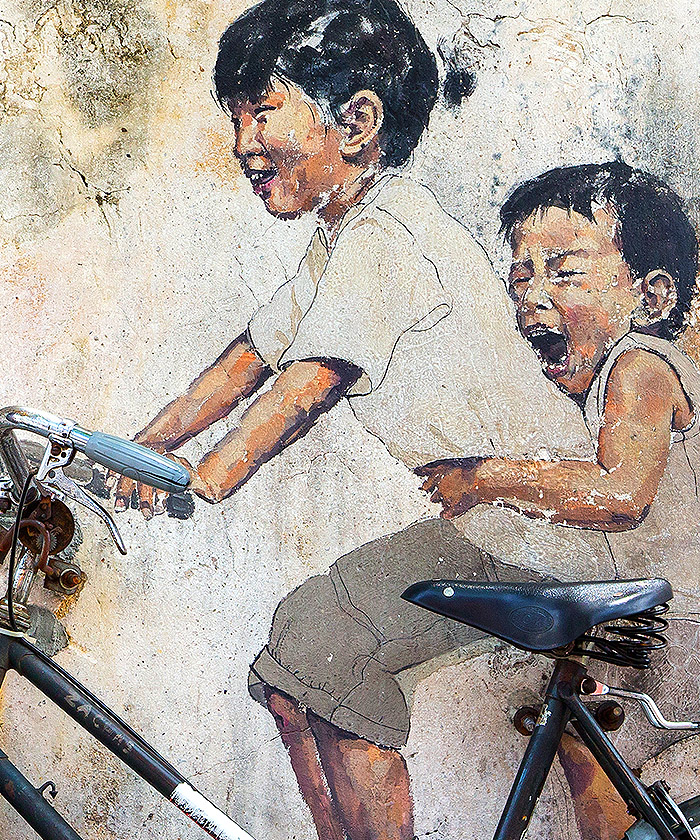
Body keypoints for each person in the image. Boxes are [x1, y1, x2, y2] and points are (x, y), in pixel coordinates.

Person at [113, 5, 619, 838]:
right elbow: (250, 358)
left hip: (536, 534)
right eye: (235, 118)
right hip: (492, 530)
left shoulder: (389, 233)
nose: (241, 142)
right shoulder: (342, 235)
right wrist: (132, 450)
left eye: (262, 111)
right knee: (295, 661)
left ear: (356, 123)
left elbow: (308, 384)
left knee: (332, 658)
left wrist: (201, 480)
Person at [420, 161, 700, 833]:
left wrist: (487, 479)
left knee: (607, 770)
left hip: (681, 630)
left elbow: (622, 493)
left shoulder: (639, 365)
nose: (533, 296)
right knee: (591, 755)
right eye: (522, 277)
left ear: (652, 296)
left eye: (564, 273)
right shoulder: (608, 376)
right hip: (652, 620)